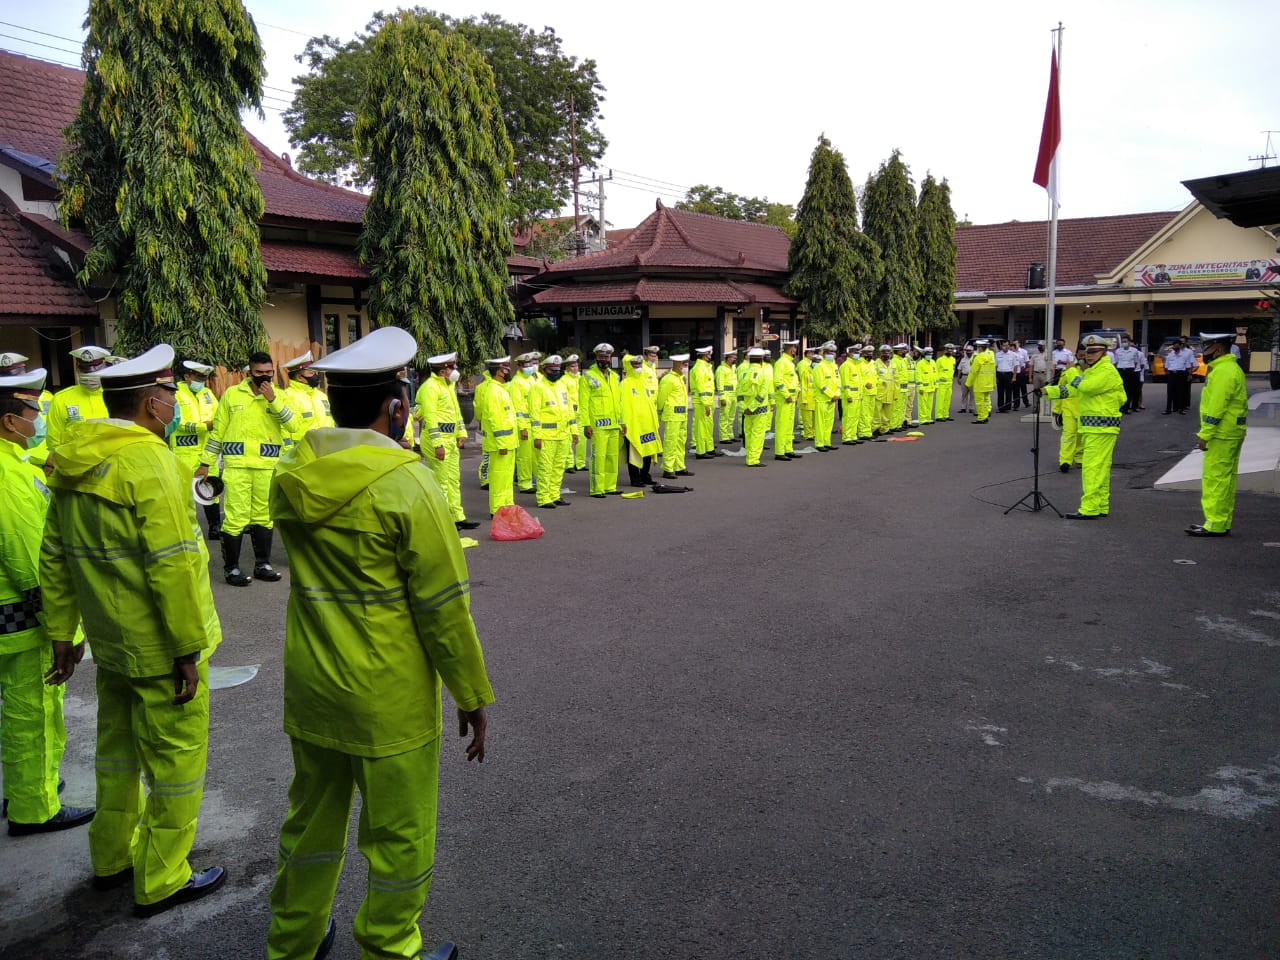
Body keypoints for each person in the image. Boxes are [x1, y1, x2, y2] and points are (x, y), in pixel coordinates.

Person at [266, 327, 493, 960]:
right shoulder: (408, 485)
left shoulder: (292, 474)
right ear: (395, 407)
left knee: (309, 825)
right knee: (399, 836)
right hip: (388, 700)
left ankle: (294, 943)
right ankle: (390, 947)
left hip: (313, 690)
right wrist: (471, 695)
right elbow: (445, 609)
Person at [42, 345, 225, 915]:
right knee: (175, 763)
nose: (176, 404)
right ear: (151, 402)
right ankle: (164, 876)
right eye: (171, 395)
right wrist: (186, 650)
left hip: (108, 641)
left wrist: (61, 637)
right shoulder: (150, 463)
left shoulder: (73, 459)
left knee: (116, 755)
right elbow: (170, 564)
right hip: (159, 648)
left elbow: (54, 556)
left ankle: (111, 859)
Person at [0, 368, 94, 836]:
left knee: (16, 714)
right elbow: (24, 556)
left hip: (9, 619)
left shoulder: (14, 463)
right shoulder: (7, 474)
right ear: (8, 421)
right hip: (20, 622)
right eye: (32, 412)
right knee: (32, 715)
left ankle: (20, 789)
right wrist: (64, 629)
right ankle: (34, 808)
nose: (38, 419)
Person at [199, 351, 301, 585]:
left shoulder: (280, 396)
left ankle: (263, 564)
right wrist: (206, 463)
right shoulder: (232, 395)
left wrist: (273, 400)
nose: (264, 377)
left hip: (267, 467)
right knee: (236, 518)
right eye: (259, 373)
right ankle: (232, 569)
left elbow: (294, 426)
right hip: (237, 468)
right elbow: (218, 432)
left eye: (269, 373)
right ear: (249, 373)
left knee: (264, 518)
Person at [1039, 333, 1127, 519]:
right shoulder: (1092, 372)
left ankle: (1089, 509)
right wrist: (1049, 391)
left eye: (1094, 351)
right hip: (1093, 427)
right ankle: (1101, 505)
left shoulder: (1107, 371)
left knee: (1092, 468)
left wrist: (1071, 371)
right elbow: (1075, 390)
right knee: (1100, 468)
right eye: (1088, 351)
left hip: (1101, 427)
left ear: (1104, 352)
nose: (1089, 355)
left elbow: (1085, 387)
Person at [1187, 332, 1249, 537]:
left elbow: (1215, 408)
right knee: (1226, 480)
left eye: (1207, 347)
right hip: (1231, 430)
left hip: (1221, 433)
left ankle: (1214, 523)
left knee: (1215, 480)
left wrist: (1205, 434)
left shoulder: (1222, 372)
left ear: (1218, 349)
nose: (1203, 352)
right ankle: (1220, 521)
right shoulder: (1230, 368)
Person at [417, 353, 480, 530]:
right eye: (452, 368)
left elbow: (456, 412)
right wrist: (438, 444)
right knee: (442, 481)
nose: (455, 371)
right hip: (436, 440)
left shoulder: (448, 385)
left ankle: (457, 517)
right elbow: (429, 417)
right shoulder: (430, 387)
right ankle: (444, 521)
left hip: (451, 439)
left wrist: (462, 432)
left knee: (454, 479)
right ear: (443, 371)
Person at [172, 360, 221, 539]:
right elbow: (176, 422)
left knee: (211, 491)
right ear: (187, 377)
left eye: (204, 377)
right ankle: (186, 531)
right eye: (199, 377)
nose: (202, 381)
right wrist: (203, 427)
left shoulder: (208, 394)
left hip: (207, 453)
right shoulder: (175, 394)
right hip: (184, 453)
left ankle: (215, 527)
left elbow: (218, 418)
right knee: (184, 494)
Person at [46, 345, 111, 454]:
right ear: (77, 368)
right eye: (84, 370)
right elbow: (54, 441)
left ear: (105, 366)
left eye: (96, 369)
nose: (90, 374)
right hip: (75, 467)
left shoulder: (116, 395)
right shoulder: (61, 398)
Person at [579, 343, 625, 498]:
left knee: (612, 457)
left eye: (606, 357)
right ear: (596, 358)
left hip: (613, 424)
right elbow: (583, 403)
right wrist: (586, 424)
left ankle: (610, 486)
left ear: (611, 358)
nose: (604, 359)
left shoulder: (615, 377)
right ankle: (597, 488)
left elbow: (618, 402)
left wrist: (622, 422)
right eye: (601, 357)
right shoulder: (588, 377)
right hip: (597, 426)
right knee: (598, 458)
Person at [528, 354, 573, 508]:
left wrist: (573, 431)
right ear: (544, 370)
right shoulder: (538, 388)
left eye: (557, 369)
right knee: (545, 468)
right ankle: (543, 498)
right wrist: (537, 436)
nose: (555, 372)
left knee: (559, 467)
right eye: (551, 369)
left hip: (563, 434)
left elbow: (569, 410)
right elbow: (534, 414)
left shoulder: (562, 386)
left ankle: (555, 495)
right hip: (546, 436)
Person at [476, 356, 517, 517]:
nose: (508, 372)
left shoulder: (500, 389)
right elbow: (496, 420)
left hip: (508, 443)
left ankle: (506, 507)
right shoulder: (493, 391)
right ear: (499, 372)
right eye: (506, 369)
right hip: (501, 444)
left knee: (506, 480)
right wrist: (501, 443)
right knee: (499, 479)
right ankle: (497, 510)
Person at [0, 352, 54, 469]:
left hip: (51, 460)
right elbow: (7, 443)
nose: (14, 380)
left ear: (25, 371)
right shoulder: (6, 401)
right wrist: (44, 458)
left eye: (18, 373)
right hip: (23, 461)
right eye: (5, 376)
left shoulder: (46, 396)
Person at [620, 353, 661, 485]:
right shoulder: (625, 384)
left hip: (647, 424)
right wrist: (624, 423)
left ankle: (645, 475)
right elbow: (623, 406)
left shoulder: (643, 381)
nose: (638, 366)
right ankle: (635, 478)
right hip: (634, 425)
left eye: (639, 364)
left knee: (648, 449)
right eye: (634, 364)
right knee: (634, 452)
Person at [472, 355, 507, 490]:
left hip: (497, 424)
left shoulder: (501, 384)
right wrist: (482, 421)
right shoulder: (484, 387)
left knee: (493, 457)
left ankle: (488, 477)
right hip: (489, 425)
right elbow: (478, 407)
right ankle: (485, 478)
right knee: (487, 456)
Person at [507, 352, 540, 495]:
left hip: (535, 424)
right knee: (525, 456)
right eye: (525, 365)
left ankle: (537, 480)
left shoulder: (531, 380)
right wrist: (522, 427)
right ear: (519, 366)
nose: (529, 367)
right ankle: (525, 483)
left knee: (536, 456)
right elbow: (517, 408)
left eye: (530, 364)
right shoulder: (516, 383)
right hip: (525, 425)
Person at [657, 353, 694, 478]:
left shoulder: (680, 377)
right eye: (684, 363)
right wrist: (659, 411)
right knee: (670, 442)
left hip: (681, 414)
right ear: (677, 364)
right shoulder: (668, 379)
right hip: (672, 415)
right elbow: (661, 398)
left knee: (680, 441)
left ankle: (679, 466)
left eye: (686, 363)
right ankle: (668, 468)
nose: (685, 366)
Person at [281, 351, 333, 437]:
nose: (316, 376)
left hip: (326, 445)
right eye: (311, 373)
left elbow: (331, 420)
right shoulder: (287, 396)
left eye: (315, 373)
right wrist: (288, 449)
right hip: (302, 447)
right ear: (299, 377)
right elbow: (283, 427)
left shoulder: (322, 396)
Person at [736, 347, 773, 467]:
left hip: (746, 410)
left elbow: (738, 393)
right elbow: (763, 393)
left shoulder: (743, 373)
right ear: (762, 359)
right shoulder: (763, 373)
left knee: (748, 433)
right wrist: (752, 407)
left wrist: (744, 407)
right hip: (759, 409)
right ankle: (753, 459)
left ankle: (749, 457)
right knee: (758, 434)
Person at [1053, 345, 1086, 473]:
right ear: (1076, 355)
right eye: (1080, 355)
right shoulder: (1068, 371)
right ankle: (1065, 460)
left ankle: (1079, 458)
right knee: (1068, 435)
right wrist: (1056, 409)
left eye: (1085, 356)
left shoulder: (1092, 371)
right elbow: (1061, 390)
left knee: (1081, 436)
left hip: (1085, 409)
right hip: (1069, 408)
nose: (1083, 358)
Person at [772, 340, 800, 460]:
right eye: (794, 347)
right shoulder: (781, 362)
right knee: (782, 425)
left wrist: (797, 392)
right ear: (790, 349)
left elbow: (793, 380)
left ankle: (788, 449)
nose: (796, 349)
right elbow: (778, 381)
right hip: (784, 399)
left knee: (789, 425)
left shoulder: (790, 362)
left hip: (791, 398)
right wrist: (786, 395)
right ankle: (779, 451)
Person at [812, 341, 840, 450]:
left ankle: (827, 442)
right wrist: (831, 395)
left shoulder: (834, 366)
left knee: (829, 422)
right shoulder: (820, 367)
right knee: (820, 423)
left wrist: (837, 394)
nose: (831, 354)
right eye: (829, 352)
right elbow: (821, 384)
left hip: (833, 399)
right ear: (823, 353)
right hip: (822, 399)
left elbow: (838, 381)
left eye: (833, 352)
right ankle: (819, 443)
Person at [563, 354, 586, 473]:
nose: (575, 368)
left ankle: (580, 463)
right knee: (568, 438)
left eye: (576, 366)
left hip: (581, 412)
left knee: (582, 439)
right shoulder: (564, 380)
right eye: (572, 366)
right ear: (567, 368)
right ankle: (569, 464)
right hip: (569, 412)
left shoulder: (581, 378)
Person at [966, 339, 996, 423]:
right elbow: (993, 371)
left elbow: (973, 372)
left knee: (980, 402)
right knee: (986, 400)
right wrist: (994, 383)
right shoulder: (991, 356)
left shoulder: (978, 357)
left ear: (980, 347)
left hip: (980, 383)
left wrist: (968, 383)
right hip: (988, 383)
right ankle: (985, 416)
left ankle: (981, 418)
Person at [1163, 339, 1196, 415]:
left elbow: (1188, 367)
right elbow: (1166, 366)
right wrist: (1169, 374)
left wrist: (1189, 375)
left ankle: (1181, 409)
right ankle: (1168, 409)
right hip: (1172, 374)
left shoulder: (1185, 356)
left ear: (1180, 346)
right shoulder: (1170, 355)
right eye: (1174, 346)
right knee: (1170, 392)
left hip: (1181, 374)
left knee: (1181, 392)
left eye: (1177, 346)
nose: (1175, 347)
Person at [1113, 334, 1143, 414]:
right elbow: (1116, 362)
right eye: (1122, 342)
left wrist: (1131, 369)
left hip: (1130, 370)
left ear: (1129, 342)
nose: (1124, 343)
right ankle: (1122, 407)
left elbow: (1136, 362)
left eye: (1125, 342)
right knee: (1121, 389)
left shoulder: (1134, 351)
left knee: (1130, 390)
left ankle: (1129, 407)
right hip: (1121, 370)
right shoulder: (1118, 351)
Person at [839, 344, 863, 444]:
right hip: (850, 396)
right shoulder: (846, 366)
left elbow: (859, 381)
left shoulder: (856, 365)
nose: (857, 354)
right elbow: (845, 382)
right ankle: (847, 437)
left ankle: (853, 436)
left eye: (858, 352)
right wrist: (848, 395)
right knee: (848, 417)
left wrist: (860, 394)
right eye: (854, 352)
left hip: (857, 395)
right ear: (849, 353)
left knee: (855, 417)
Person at [715, 350, 739, 445]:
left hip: (733, 394)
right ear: (728, 358)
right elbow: (719, 384)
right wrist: (722, 397)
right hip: (726, 395)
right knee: (724, 416)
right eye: (733, 357)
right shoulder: (721, 369)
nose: (735, 359)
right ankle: (724, 437)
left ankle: (730, 435)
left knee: (731, 417)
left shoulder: (733, 368)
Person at [873, 345, 896, 436]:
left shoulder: (893, 364)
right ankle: (875, 428)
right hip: (880, 392)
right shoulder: (876, 363)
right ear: (880, 353)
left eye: (888, 352)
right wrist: (881, 381)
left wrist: (896, 393)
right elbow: (873, 377)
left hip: (890, 391)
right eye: (884, 352)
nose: (886, 354)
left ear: (890, 353)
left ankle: (885, 428)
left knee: (888, 412)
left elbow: (896, 378)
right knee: (877, 412)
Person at [797, 345, 817, 441]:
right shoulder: (802, 364)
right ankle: (807, 433)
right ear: (807, 354)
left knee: (813, 418)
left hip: (813, 396)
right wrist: (803, 398)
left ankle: (812, 432)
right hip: (806, 394)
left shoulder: (813, 365)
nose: (812, 355)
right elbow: (803, 382)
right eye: (811, 353)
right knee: (807, 418)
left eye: (813, 353)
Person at [890, 344, 911, 430]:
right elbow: (894, 376)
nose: (904, 352)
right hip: (898, 389)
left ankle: (899, 424)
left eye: (905, 350)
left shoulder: (903, 360)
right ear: (897, 351)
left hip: (904, 388)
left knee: (902, 408)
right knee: (895, 408)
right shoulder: (895, 361)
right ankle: (893, 425)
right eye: (902, 350)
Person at [915, 346, 937, 426]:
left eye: (931, 354)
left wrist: (936, 386)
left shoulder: (933, 362)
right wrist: (920, 387)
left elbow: (935, 375)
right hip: (923, 388)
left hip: (931, 387)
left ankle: (928, 418)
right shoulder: (920, 364)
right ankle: (923, 419)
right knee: (923, 405)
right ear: (924, 354)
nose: (930, 355)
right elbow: (918, 376)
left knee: (929, 404)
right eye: (928, 354)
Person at [934, 344, 957, 421]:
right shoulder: (940, 360)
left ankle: (946, 414)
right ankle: (939, 416)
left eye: (951, 349)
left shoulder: (953, 359)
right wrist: (936, 383)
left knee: (947, 400)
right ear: (944, 350)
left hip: (949, 383)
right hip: (941, 383)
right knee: (940, 400)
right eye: (948, 349)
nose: (949, 351)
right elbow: (935, 372)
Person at [994, 340, 1016, 412]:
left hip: (1008, 374)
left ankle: (1007, 407)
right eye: (1003, 345)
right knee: (1000, 392)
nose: (1005, 347)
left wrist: (1014, 377)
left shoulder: (1013, 354)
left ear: (1009, 346)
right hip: (1000, 374)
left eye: (1006, 345)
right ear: (1001, 346)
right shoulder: (997, 354)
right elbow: (995, 366)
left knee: (1008, 392)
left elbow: (1015, 367)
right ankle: (1001, 407)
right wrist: (995, 377)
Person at [956, 343, 975, 414]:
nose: (968, 352)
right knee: (964, 393)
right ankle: (963, 407)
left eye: (970, 351)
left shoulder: (975, 359)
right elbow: (959, 369)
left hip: (972, 377)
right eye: (967, 351)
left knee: (972, 393)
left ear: (973, 351)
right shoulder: (963, 359)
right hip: (964, 376)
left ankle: (971, 408)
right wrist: (958, 378)